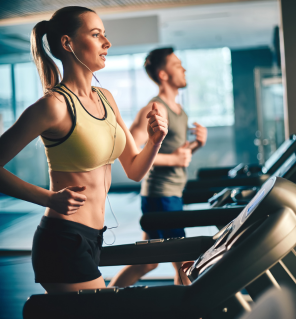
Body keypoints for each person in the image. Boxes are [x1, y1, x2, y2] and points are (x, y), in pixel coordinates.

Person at [0, 6, 168, 293]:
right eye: (95, 34)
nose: (107, 42)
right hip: (63, 239)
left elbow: (135, 170)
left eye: (105, 34)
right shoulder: (53, 106)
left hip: (94, 237)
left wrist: (154, 141)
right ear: (68, 44)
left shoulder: (106, 98)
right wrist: (49, 199)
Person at [108, 48, 207, 287]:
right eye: (177, 64)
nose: (183, 68)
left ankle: (106, 299)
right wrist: (173, 160)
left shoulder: (179, 112)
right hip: (161, 195)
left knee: (147, 262)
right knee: (184, 261)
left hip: (171, 194)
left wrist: (195, 145)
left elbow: (175, 154)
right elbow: (128, 146)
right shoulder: (156, 108)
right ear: (163, 74)